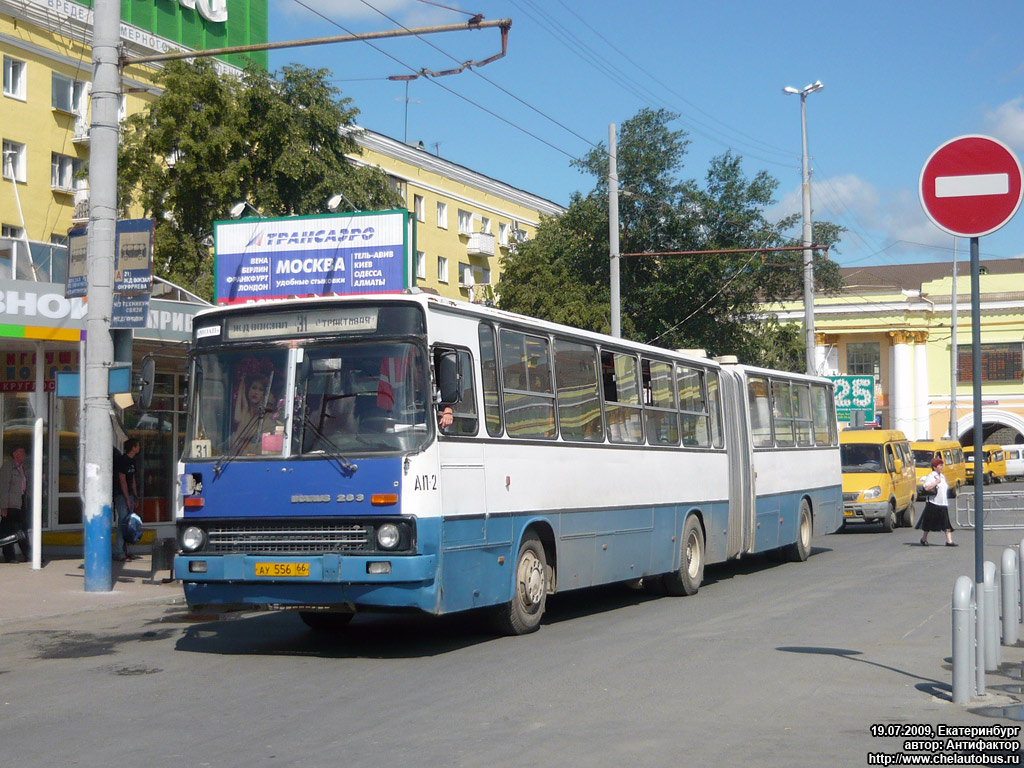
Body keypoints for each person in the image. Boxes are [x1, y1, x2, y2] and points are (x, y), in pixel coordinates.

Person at [917, 455, 956, 546]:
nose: (941, 467)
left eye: (942, 465)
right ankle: (924, 539)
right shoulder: (931, 476)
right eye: (939, 465)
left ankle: (949, 541)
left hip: (943, 503)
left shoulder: (942, 476)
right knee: (928, 522)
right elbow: (926, 488)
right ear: (934, 467)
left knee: (946, 522)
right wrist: (935, 483)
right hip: (933, 503)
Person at [0, 446, 30, 563]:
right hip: (10, 504)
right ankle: (13, 556)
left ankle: (27, 555)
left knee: (19, 529)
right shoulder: (8, 467)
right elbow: (3, 487)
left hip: (20, 502)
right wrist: (3, 506)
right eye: (21, 452)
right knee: (12, 531)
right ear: (15, 454)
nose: (24, 455)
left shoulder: (22, 467)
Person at [112, 438, 141, 561]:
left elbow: (132, 479)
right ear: (133, 447)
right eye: (137, 445)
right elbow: (122, 480)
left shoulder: (132, 461)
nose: (139, 448)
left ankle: (126, 551)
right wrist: (127, 498)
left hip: (129, 495)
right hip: (121, 496)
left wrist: (135, 495)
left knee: (129, 524)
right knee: (123, 524)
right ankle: (119, 552)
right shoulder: (123, 460)